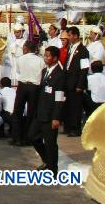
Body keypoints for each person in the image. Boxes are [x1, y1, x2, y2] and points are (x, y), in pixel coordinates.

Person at [31, 46, 65, 176]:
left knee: (50, 143)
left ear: (55, 58)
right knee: (32, 137)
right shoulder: (45, 70)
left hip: (50, 115)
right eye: (44, 55)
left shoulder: (60, 75)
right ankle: (46, 160)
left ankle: (53, 169)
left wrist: (56, 117)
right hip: (40, 112)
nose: (45, 58)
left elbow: (60, 97)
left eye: (48, 56)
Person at [11, 40, 45, 146]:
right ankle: (28, 136)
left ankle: (17, 137)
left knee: (17, 111)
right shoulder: (40, 60)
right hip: (35, 87)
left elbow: (19, 71)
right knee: (32, 112)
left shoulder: (20, 59)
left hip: (23, 85)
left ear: (25, 48)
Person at [60, 27, 90, 137]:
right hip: (67, 81)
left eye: (70, 35)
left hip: (76, 82)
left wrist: (80, 84)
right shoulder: (70, 48)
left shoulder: (83, 50)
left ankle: (75, 128)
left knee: (75, 107)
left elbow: (84, 69)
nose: (69, 37)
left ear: (76, 36)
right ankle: (67, 126)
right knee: (67, 105)